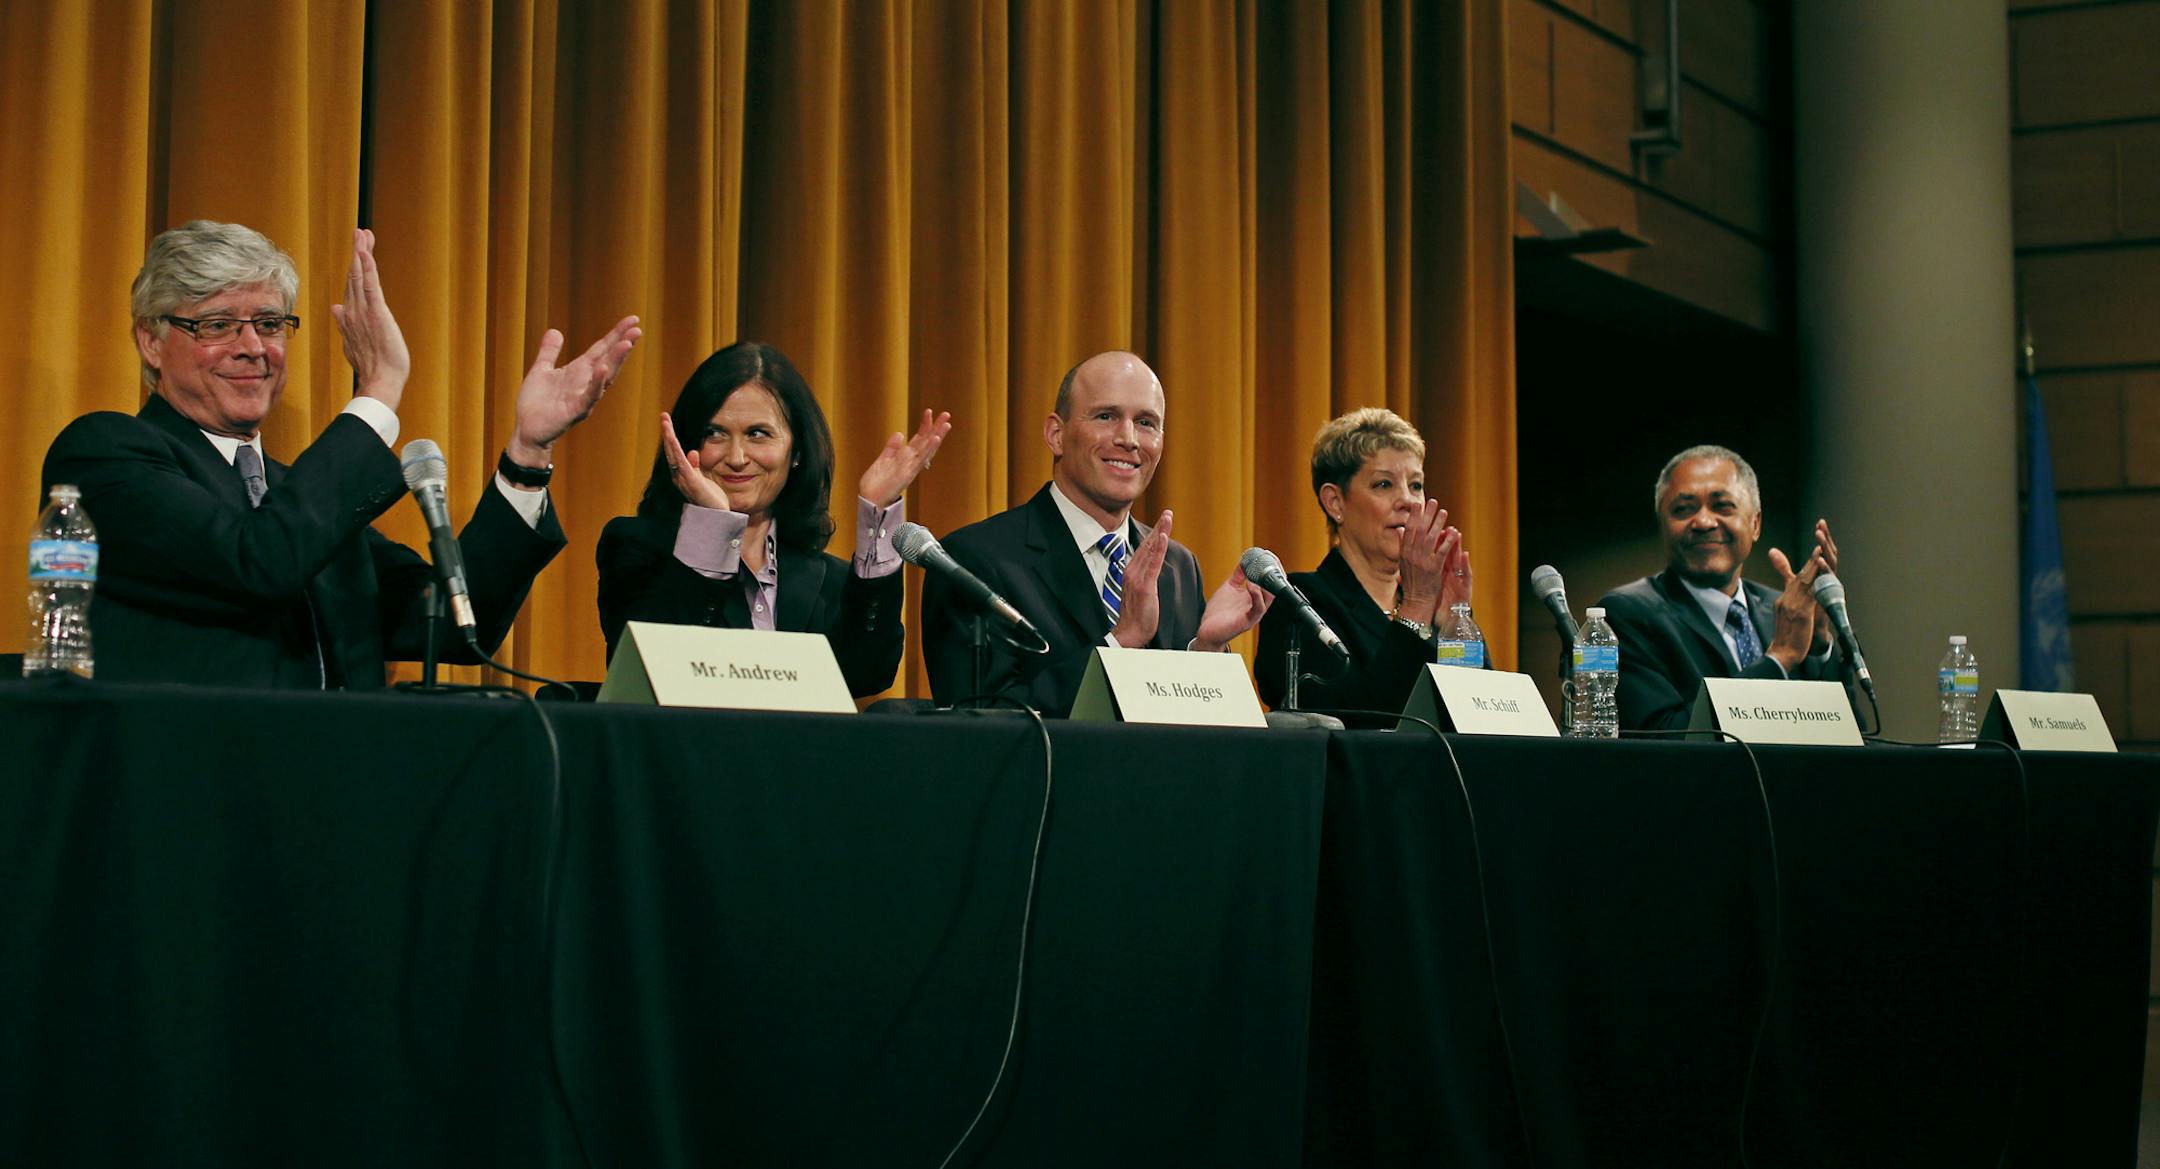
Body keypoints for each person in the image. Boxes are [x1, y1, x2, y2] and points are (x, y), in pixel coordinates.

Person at [39, 220, 640, 688]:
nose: (254, 348)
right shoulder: (106, 455)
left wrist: (528, 454)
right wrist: (377, 393)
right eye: (219, 325)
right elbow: (261, 561)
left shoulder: (296, 491)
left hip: (332, 797)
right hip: (197, 802)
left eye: (270, 324)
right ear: (151, 340)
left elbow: (454, 621)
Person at [920, 350, 1271, 716]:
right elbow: (974, 720)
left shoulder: (1178, 567)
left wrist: (1206, 652)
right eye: (1107, 416)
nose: (1129, 439)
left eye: (1147, 423)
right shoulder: (974, 560)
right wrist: (1120, 643)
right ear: (1056, 434)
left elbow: (1194, 733)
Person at [596, 342, 949, 698]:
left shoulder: (829, 579)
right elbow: (656, 670)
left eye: (757, 434)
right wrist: (713, 524)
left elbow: (867, 673)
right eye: (714, 433)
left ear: (796, 452)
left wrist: (877, 513)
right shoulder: (633, 546)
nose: (736, 457)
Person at [1597, 444, 1845, 731]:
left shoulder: (1785, 613)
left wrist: (1819, 649)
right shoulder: (1626, 613)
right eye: (1683, 509)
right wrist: (1779, 658)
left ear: (1755, 524)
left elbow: (1852, 737)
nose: (1703, 522)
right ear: (1662, 526)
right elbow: (1662, 735)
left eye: (1722, 506)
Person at [1253, 408, 1471, 722]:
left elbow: (1480, 723)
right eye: (1384, 485)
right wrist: (1417, 606)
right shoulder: (1300, 604)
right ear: (1335, 502)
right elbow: (1363, 725)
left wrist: (1457, 620)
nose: (1408, 500)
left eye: (1416, 485)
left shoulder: (1434, 610)